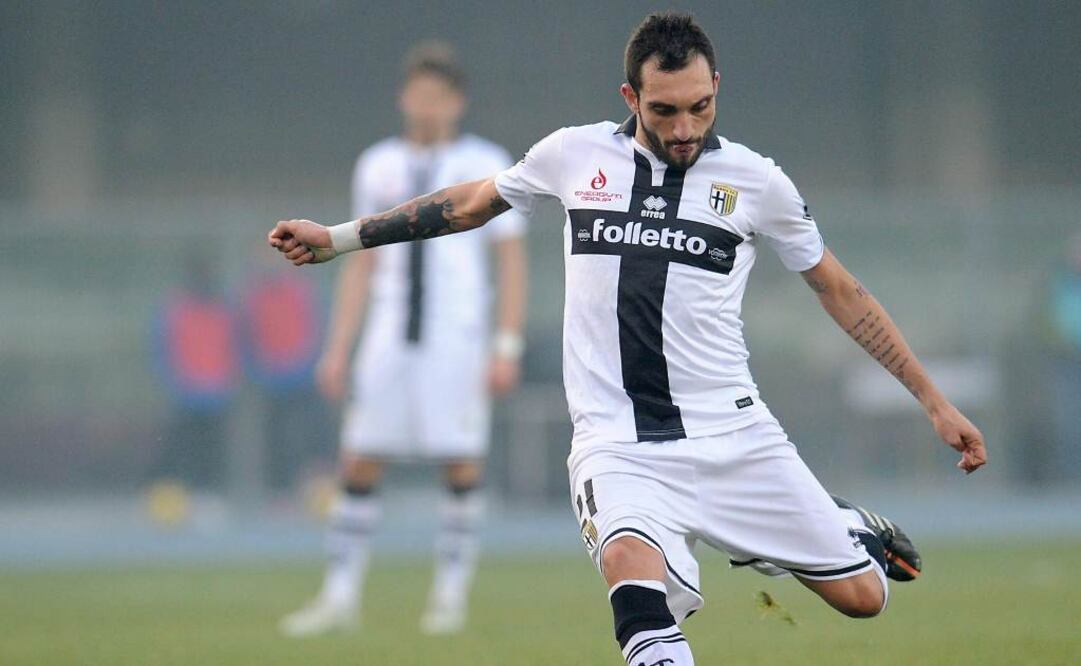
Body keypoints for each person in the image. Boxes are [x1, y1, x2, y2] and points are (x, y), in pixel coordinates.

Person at [268, 13, 987, 664]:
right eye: (664, 110)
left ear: (716, 88)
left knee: (864, 599)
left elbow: (840, 290)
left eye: (700, 106)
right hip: (617, 444)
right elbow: (467, 204)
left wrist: (933, 402)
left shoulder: (756, 182)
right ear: (629, 98)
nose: (683, 128)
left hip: (736, 437)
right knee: (633, 589)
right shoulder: (572, 156)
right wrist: (337, 240)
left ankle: (839, 524)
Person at [279, 43, 528, 637]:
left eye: (439, 96)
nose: (427, 106)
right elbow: (358, 261)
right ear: (402, 98)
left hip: (457, 335)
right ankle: (339, 596)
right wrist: (339, 347)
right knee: (360, 456)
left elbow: (511, 260)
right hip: (390, 333)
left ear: (458, 102)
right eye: (418, 94)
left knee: (460, 461)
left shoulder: (487, 161)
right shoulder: (377, 165)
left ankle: (449, 597)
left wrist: (506, 345)